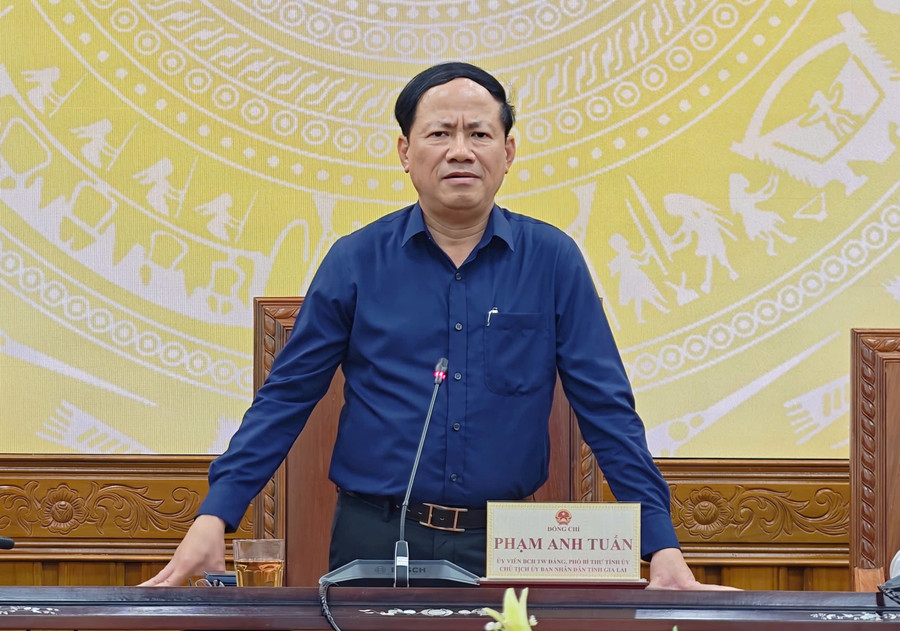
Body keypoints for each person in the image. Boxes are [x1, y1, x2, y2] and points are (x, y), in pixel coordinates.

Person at [142, 62, 730, 590]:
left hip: (507, 544)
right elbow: (286, 398)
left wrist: (662, 544)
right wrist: (215, 514)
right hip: (374, 537)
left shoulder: (553, 261)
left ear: (509, 151)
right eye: (439, 134)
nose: (460, 150)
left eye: (479, 134)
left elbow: (607, 409)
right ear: (404, 151)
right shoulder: (356, 261)